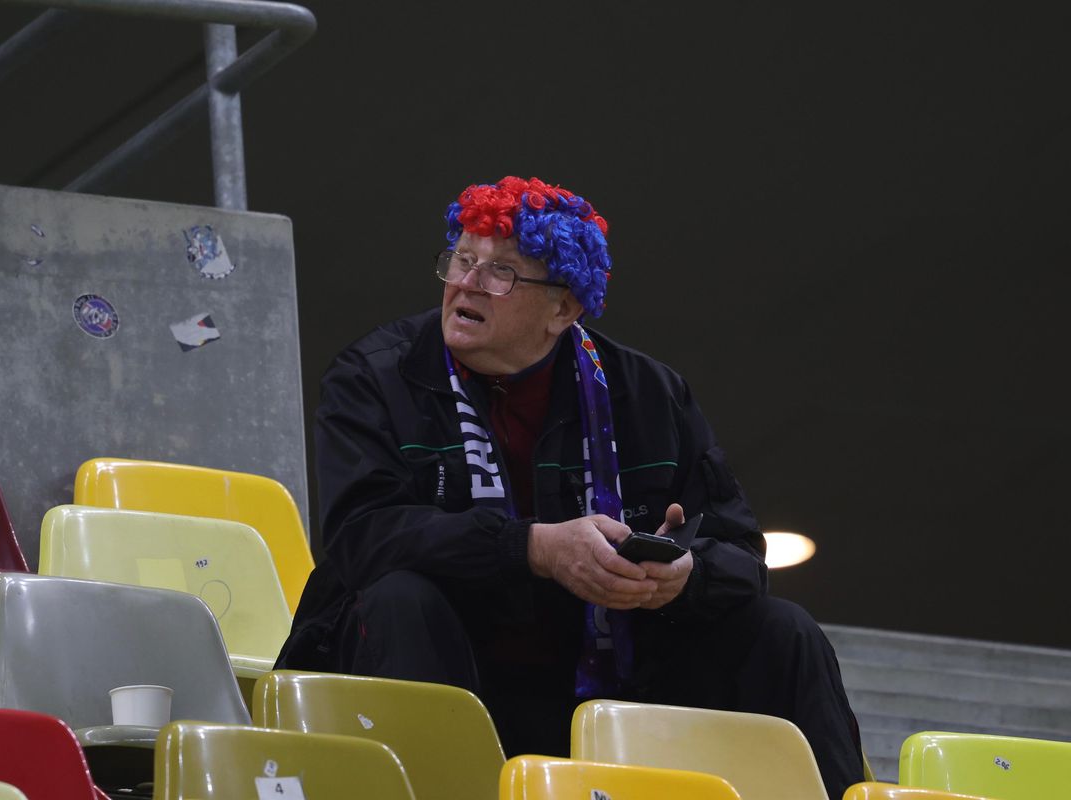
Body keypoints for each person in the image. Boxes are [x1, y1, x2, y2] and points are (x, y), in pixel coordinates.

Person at [276, 175, 864, 799]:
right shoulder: (374, 374)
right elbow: (358, 538)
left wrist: (680, 577)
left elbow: (743, 554)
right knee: (401, 597)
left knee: (785, 631)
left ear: (564, 308)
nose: (467, 284)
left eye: (501, 273)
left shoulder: (649, 395)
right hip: (442, 658)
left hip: (604, 671)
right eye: (462, 260)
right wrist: (534, 548)